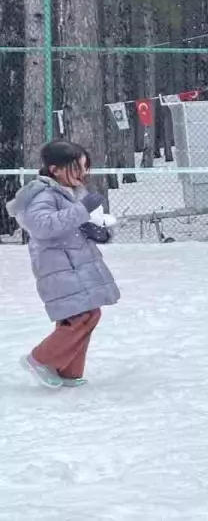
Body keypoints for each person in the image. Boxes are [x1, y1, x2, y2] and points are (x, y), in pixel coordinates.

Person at [8, 140, 120, 389]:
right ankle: (40, 359)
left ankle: (67, 370)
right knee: (80, 316)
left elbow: (73, 223)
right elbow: (43, 226)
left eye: (84, 167)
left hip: (76, 264)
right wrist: (81, 211)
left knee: (83, 313)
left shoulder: (69, 191)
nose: (82, 174)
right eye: (76, 168)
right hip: (59, 267)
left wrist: (98, 231)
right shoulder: (42, 194)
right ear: (55, 169)